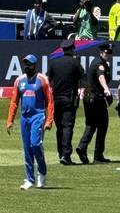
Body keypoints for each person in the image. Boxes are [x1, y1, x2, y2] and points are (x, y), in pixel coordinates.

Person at [6, 54, 54, 190]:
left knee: (35, 145)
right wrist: (10, 120)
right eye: (25, 64)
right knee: (27, 148)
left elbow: (50, 101)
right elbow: (14, 102)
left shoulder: (42, 80)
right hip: (24, 118)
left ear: (35, 65)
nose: (27, 67)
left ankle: (42, 171)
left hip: (38, 116)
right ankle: (29, 179)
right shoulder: (19, 81)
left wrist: (49, 120)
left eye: (30, 64)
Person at [47, 39, 85, 165]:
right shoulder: (75, 63)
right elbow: (84, 79)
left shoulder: (53, 63)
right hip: (69, 99)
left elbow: (48, 81)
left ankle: (61, 153)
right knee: (67, 126)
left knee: (59, 128)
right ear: (71, 49)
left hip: (56, 98)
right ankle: (66, 155)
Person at [76, 43, 113, 164]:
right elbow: (100, 76)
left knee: (91, 124)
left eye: (109, 53)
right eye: (106, 53)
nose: (108, 55)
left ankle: (82, 147)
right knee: (102, 124)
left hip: (89, 98)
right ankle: (98, 154)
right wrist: (106, 88)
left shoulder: (98, 62)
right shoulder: (99, 64)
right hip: (95, 98)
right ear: (101, 52)